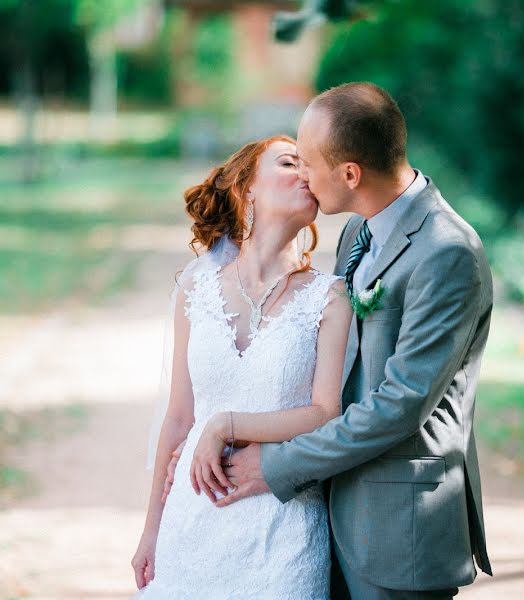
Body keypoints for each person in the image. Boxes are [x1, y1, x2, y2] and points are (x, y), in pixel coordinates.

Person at [208, 82, 495, 599]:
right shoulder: (357, 235)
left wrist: (275, 465)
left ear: (349, 174)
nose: (304, 177)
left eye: (309, 163)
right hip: (328, 515)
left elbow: (400, 404)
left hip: (397, 530)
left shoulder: (445, 252)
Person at [130, 134, 352, 599]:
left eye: (310, 167)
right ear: (246, 188)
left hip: (282, 527)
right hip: (193, 521)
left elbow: (324, 412)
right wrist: (151, 529)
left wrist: (227, 424)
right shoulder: (196, 288)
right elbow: (178, 418)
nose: (306, 175)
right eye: (291, 162)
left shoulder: (329, 297)